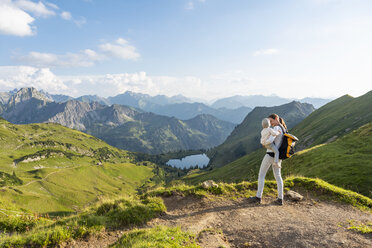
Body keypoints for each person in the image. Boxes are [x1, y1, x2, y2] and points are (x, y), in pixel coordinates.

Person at [250, 113, 287, 206]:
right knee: (278, 177)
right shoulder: (283, 128)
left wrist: (264, 143)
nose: (270, 123)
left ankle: (258, 197)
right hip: (278, 157)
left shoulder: (276, 128)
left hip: (270, 155)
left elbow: (270, 140)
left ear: (276, 119)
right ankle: (280, 198)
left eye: (271, 121)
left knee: (261, 175)